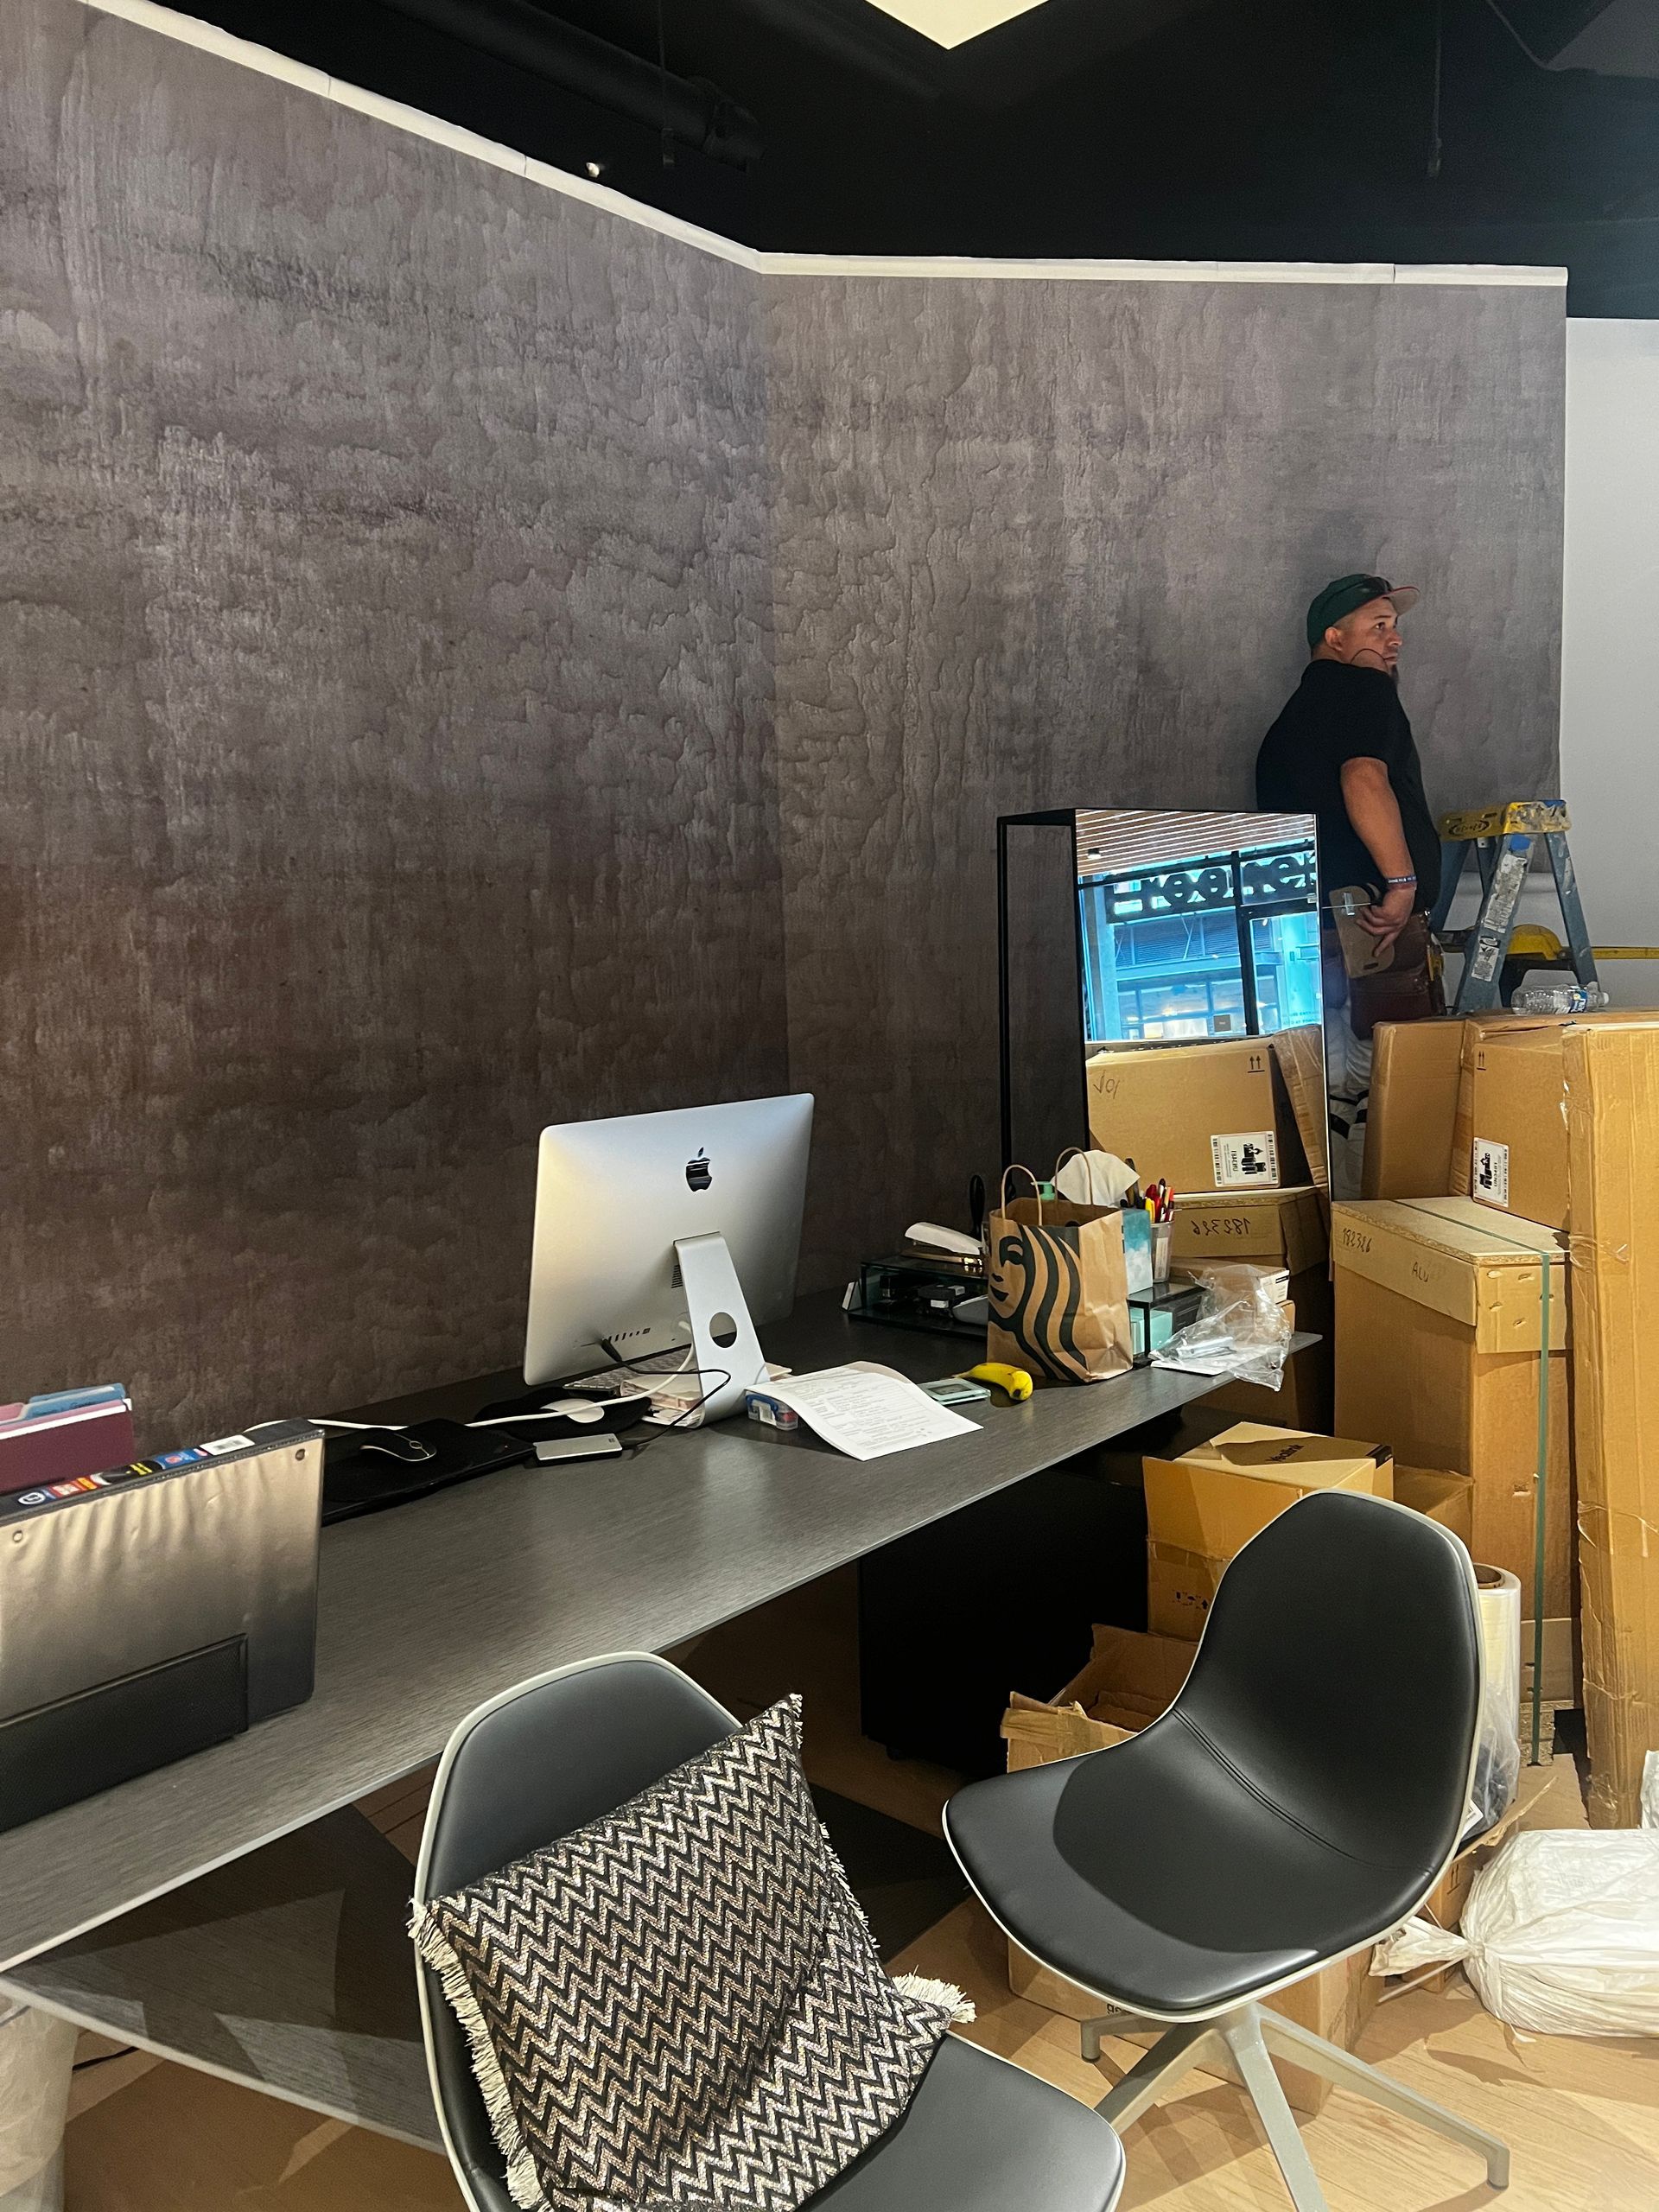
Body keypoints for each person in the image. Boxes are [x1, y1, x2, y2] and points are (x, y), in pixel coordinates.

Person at [1255, 574, 1445, 1196]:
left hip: (1308, 930)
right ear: (1334, 639)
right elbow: (1363, 780)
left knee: (1329, 1079)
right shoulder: (1365, 692)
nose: (1395, 642)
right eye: (1378, 627)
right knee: (1376, 1082)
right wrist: (1402, 884)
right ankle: (1367, 1237)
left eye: (1396, 627)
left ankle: (1333, 1233)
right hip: (1365, 922)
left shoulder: (1289, 722)